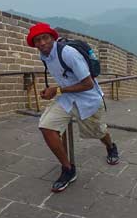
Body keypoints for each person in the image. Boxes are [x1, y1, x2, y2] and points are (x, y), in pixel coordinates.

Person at [26, 23, 119, 193]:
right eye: (37, 40)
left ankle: (111, 146)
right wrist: (53, 90)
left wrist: (58, 90)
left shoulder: (68, 54)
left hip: (87, 100)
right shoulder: (44, 56)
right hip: (66, 99)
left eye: (45, 38)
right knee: (47, 127)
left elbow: (88, 83)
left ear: (52, 38)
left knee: (97, 132)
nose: (42, 43)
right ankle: (68, 169)